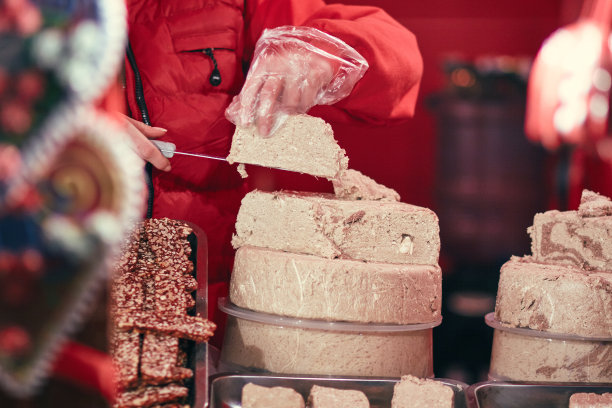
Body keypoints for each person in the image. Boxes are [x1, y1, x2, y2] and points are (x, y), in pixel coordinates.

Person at [123, 0, 423, 347]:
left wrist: (321, 51)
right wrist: (57, 128)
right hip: (65, 298)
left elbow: (400, 60)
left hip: (202, 298)